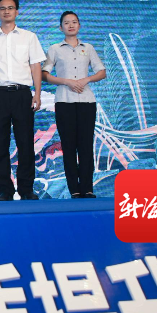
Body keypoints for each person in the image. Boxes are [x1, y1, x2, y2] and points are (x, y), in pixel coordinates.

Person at [0, 0, 45, 201]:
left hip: (22, 94)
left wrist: (37, 93)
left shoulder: (29, 37)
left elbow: (35, 66)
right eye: (2, 8)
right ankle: (5, 190)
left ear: (17, 11)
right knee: (0, 144)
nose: (6, 11)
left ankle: (26, 189)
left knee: (25, 143)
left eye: (10, 8)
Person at [42, 11, 106, 198]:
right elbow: (45, 74)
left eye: (74, 22)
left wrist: (86, 79)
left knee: (86, 145)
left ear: (79, 25)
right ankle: (74, 189)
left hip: (86, 101)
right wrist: (66, 81)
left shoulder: (88, 48)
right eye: (66, 23)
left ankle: (87, 187)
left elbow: (102, 72)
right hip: (64, 101)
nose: (71, 25)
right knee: (68, 146)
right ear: (60, 27)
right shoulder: (55, 49)